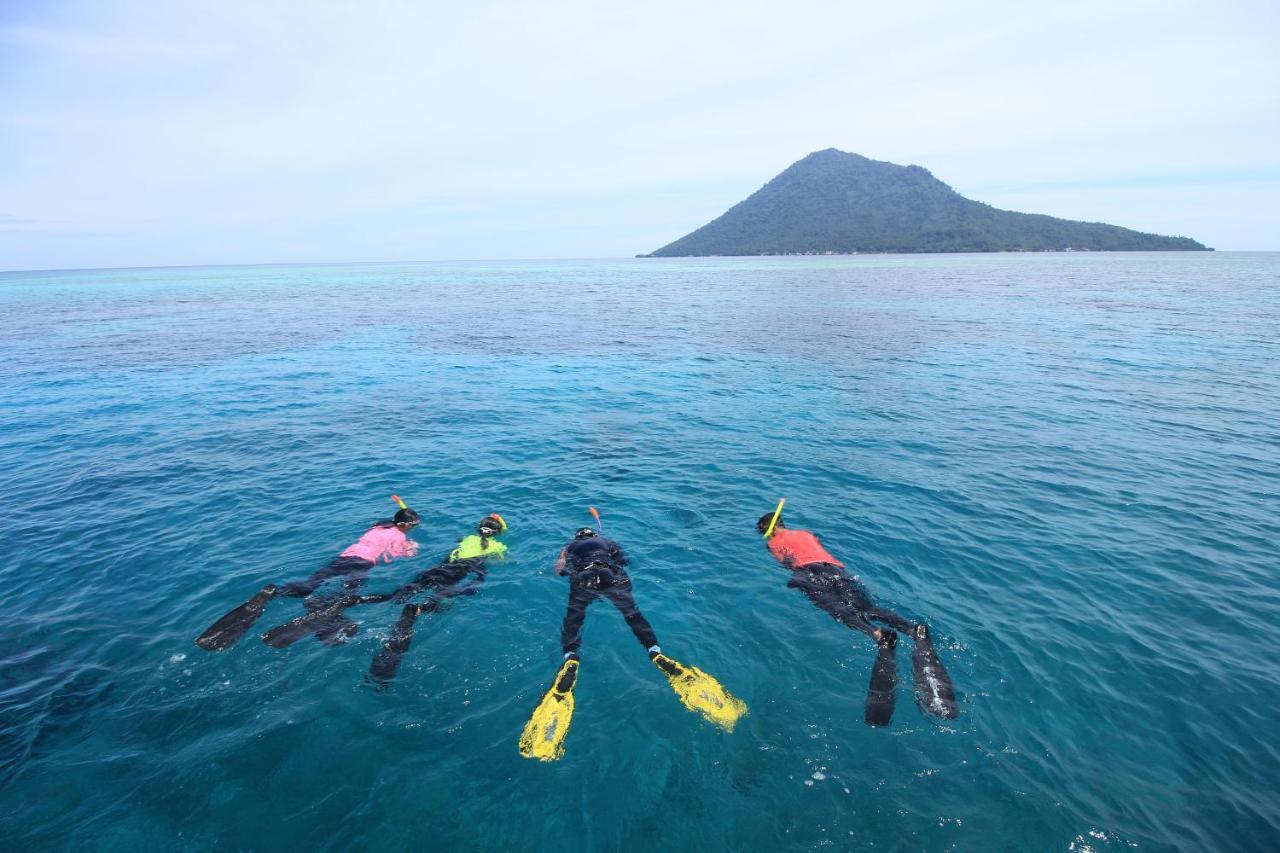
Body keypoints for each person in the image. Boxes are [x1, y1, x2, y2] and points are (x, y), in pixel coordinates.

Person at [519, 522, 747, 762]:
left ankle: (571, 657)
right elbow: (624, 560)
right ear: (594, 534)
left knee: (574, 616)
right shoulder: (607, 542)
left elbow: (560, 570)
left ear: (577, 537)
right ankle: (655, 651)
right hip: (610, 574)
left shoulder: (569, 547)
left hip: (584, 575)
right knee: (632, 613)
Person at [756, 509, 957, 725]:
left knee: (837, 609)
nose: (766, 537)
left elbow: (787, 562)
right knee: (868, 607)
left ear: (773, 528)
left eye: (765, 533)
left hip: (809, 573)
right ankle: (911, 629)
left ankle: (877, 634)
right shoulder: (805, 533)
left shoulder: (772, 543)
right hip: (835, 569)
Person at [258, 513, 510, 686]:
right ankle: (418, 611)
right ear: (497, 534)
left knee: (398, 593)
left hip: (436, 568)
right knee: (456, 594)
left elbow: (459, 545)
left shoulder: (466, 538)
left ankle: (354, 601)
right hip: (460, 571)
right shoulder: (496, 547)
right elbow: (498, 560)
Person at [194, 500, 422, 652]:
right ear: (403, 525)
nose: (412, 529)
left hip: (344, 557)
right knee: (347, 595)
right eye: (411, 526)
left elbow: (386, 523)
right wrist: (411, 547)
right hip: (361, 564)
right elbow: (396, 554)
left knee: (310, 584)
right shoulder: (399, 536)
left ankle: (275, 591)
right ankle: (324, 616)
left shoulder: (379, 527)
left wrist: (400, 525)